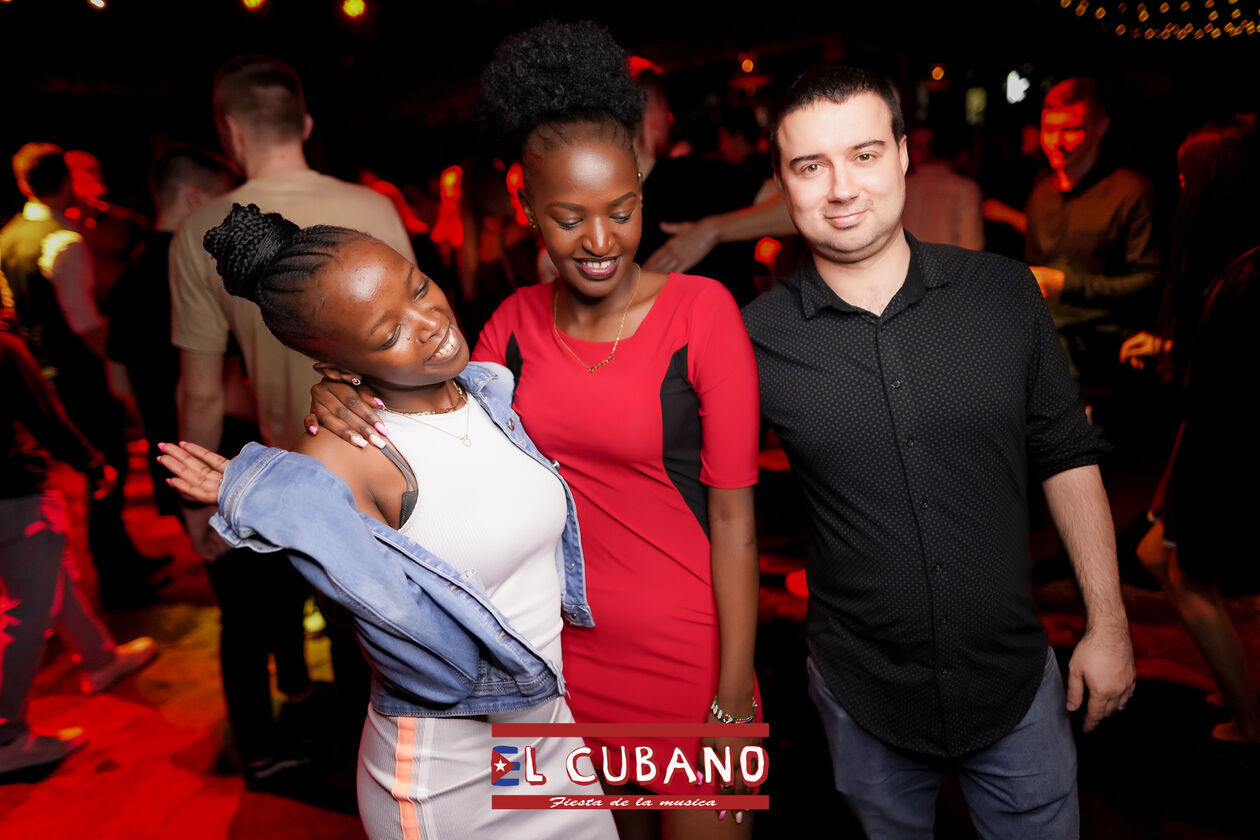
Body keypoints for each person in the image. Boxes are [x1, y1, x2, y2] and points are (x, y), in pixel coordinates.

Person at [308, 21, 762, 840]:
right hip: (549, 665)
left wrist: (733, 695)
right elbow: (433, 426)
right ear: (526, 209)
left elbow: (734, 519)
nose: (600, 242)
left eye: (621, 211)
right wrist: (344, 390)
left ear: (641, 190)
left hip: (691, 655)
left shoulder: (704, 311)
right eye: (569, 217)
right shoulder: (511, 325)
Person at [741, 62, 1136, 839]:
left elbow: (1066, 454)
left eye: (863, 155)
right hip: (861, 692)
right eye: (810, 166)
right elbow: (696, 494)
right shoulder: (753, 338)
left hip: (1015, 680)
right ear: (782, 184)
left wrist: (1110, 623)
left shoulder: (1003, 293)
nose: (842, 188)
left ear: (901, 154)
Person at [159, 202, 617, 840]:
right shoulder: (345, 457)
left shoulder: (487, 393)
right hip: (450, 777)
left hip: (543, 740)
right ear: (336, 368)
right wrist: (277, 496)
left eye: (419, 288)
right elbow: (419, 646)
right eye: (387, 334)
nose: (429, 323)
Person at [169, 54, 415, 783]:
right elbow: (414, 345)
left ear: (229, 131)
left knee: (277, 620)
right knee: (377, 637)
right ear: (304, 123)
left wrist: (197, 502)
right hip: (384, 461)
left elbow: (202, 394)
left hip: (288, 473)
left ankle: (307, 759)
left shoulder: (202, 230)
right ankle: (385, 771)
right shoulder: (374, 209)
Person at [1126, 115, 1260, 744]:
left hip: (1219, 445)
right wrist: (1174, 347)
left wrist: (1174, 360)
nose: (1179, 187)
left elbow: (1224, 391)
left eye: (1188, 177)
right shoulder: (1238, 268)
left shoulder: (1244, 279)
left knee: (1182, 572)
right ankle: (1238, 690)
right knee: (1158, 557)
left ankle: (1251, 719)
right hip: (1209, 439)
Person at [0, 142, 168, 608]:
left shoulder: (9, 236)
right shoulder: (63, 241)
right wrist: (121, 372)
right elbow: (86, 324)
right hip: (82, 374)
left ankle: (123, 562)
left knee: (98, 471)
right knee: (106, 471)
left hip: (43, 371)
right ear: (66, 181)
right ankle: (118, 580)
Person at [0, 327, 156, 778]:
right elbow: (43, 415)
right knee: (27, 614)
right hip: (12, 492)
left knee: (51, 579)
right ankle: (6, 735)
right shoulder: (4, 347)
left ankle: (99, 659)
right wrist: (90, 461)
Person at [105, 145, 239, 519]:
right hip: (228, 464)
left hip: (171, 462)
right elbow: (225, 393)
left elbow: (118, 383)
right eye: (226, 202)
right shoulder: (208, 272)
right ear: (194, 199)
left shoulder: (129, 276)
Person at [1024, 78, 1161, 388]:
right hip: (1050, 349)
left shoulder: (1131, 192)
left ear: (1101, 127)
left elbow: (1151, 281)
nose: (1056, 142)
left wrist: (1069, 286)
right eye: (1049, 129)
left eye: (1070, 129)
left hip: (1110, 353)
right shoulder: (1041, 194)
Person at [901, 122, 984, 250]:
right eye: (917, 146)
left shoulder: (903, 185)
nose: (921, 152)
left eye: (925, 146)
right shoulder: (966, 190)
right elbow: (971, 246)